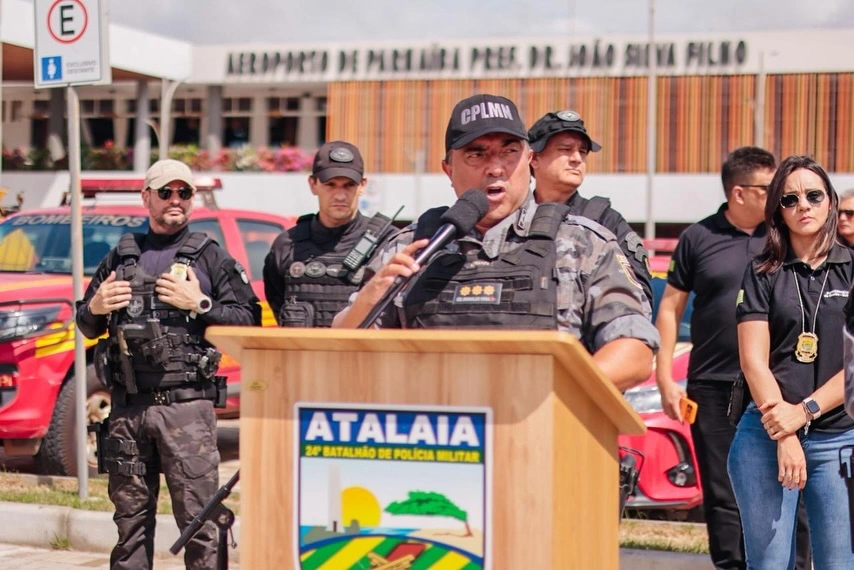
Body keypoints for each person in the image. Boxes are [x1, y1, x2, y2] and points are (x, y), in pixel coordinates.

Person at [332, 93, 659, 391]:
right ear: (448, 169)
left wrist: (553, 393)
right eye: (477, 154)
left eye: (509, 152)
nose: (496, 168)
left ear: (529, 159)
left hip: (545, 426)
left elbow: (634, 350)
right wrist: (370, 296)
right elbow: (340, 348)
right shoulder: (412, 247)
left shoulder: (583, 244)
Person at [75, 159, 261, 570]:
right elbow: (86, 324)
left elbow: (250, 320)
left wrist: (201, 303)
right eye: (165, 192)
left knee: (200, 524)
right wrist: (95, 307)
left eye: (184, 192)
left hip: (186, 410)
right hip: (128, 411)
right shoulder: (121, 256)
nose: (175, 200)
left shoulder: (209, 257)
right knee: (129, 527)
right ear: (147, 198)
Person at [655, 146, 777, 570]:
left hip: (778, 384)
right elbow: (670, 308)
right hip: (712, 385)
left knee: (786, 484)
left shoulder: (783, 235)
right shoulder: (698, 237)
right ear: (739, 193)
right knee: (723, 493)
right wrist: (665, 379)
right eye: (769, 188)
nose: (779, 195)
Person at [730, 155, 854, 569]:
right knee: (768, 565)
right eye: (790, 199)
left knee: (840, 563)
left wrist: (804, 412)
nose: (804, 205)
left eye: (814, 196)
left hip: (839, 437)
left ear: (830, 201)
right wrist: (784, 434)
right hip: (765, 434)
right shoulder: (762, 271)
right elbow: (753, 361)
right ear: (777, 211)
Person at [263, 140, 397, 327]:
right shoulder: (287, 245)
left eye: (348, 185)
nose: (340, 195)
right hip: (303, 346)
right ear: (313, 184)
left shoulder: (388, 242)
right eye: (330, 184)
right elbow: (277, 301)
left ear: (362, 186)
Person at [527, 110, 653, 305]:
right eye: (566, 149)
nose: (577, 158)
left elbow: (639, 295)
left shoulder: (605, 221)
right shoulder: (511, 218)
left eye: (583, 151)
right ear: (534, 158)